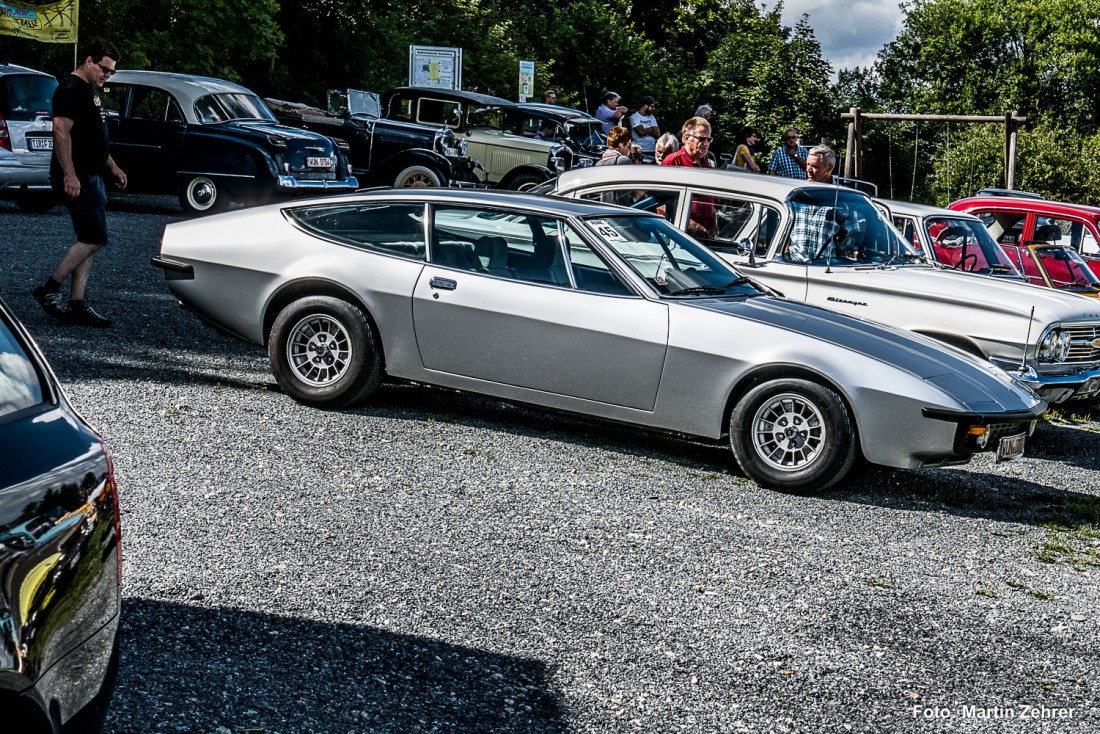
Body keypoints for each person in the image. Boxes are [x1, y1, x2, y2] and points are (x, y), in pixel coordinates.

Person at [32, 39, 127, 328]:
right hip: (78, 177)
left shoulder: (89, 91)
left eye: (111, 72)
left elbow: (93, 137)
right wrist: (70, 174)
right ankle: (49, 290)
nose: (107, 76)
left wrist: (113, 166)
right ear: (88, 61)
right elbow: (61, 131)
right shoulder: (70, 88)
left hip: (93, 175)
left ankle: (77, 304)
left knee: (89, 238)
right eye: (104, 69)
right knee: (94, 237)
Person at [661, 117, 716, 237]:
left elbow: (711, 201)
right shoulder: (673, 161)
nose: (706, 143)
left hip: (705, 235)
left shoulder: (707, 165)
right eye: (701, 139)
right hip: (680, 235)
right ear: (686, 138)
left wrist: (714, 222)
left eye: (708, 139)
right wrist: (690, 224)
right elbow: (659, 203)